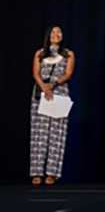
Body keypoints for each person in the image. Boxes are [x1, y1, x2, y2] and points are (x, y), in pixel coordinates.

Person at [30, 24, 75, 186]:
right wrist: (44, 86)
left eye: (59, 32)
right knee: (39, 134)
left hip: (59, 93)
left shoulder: (68, 54)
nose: (56, 34)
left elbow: (68, 74)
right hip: (41, 94)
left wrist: (53, 85)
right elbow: (35, 73)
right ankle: (36, 172)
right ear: (48, 35)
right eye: (53, 32)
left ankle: (52, 173)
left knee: (57, 134)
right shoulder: (40, 54)